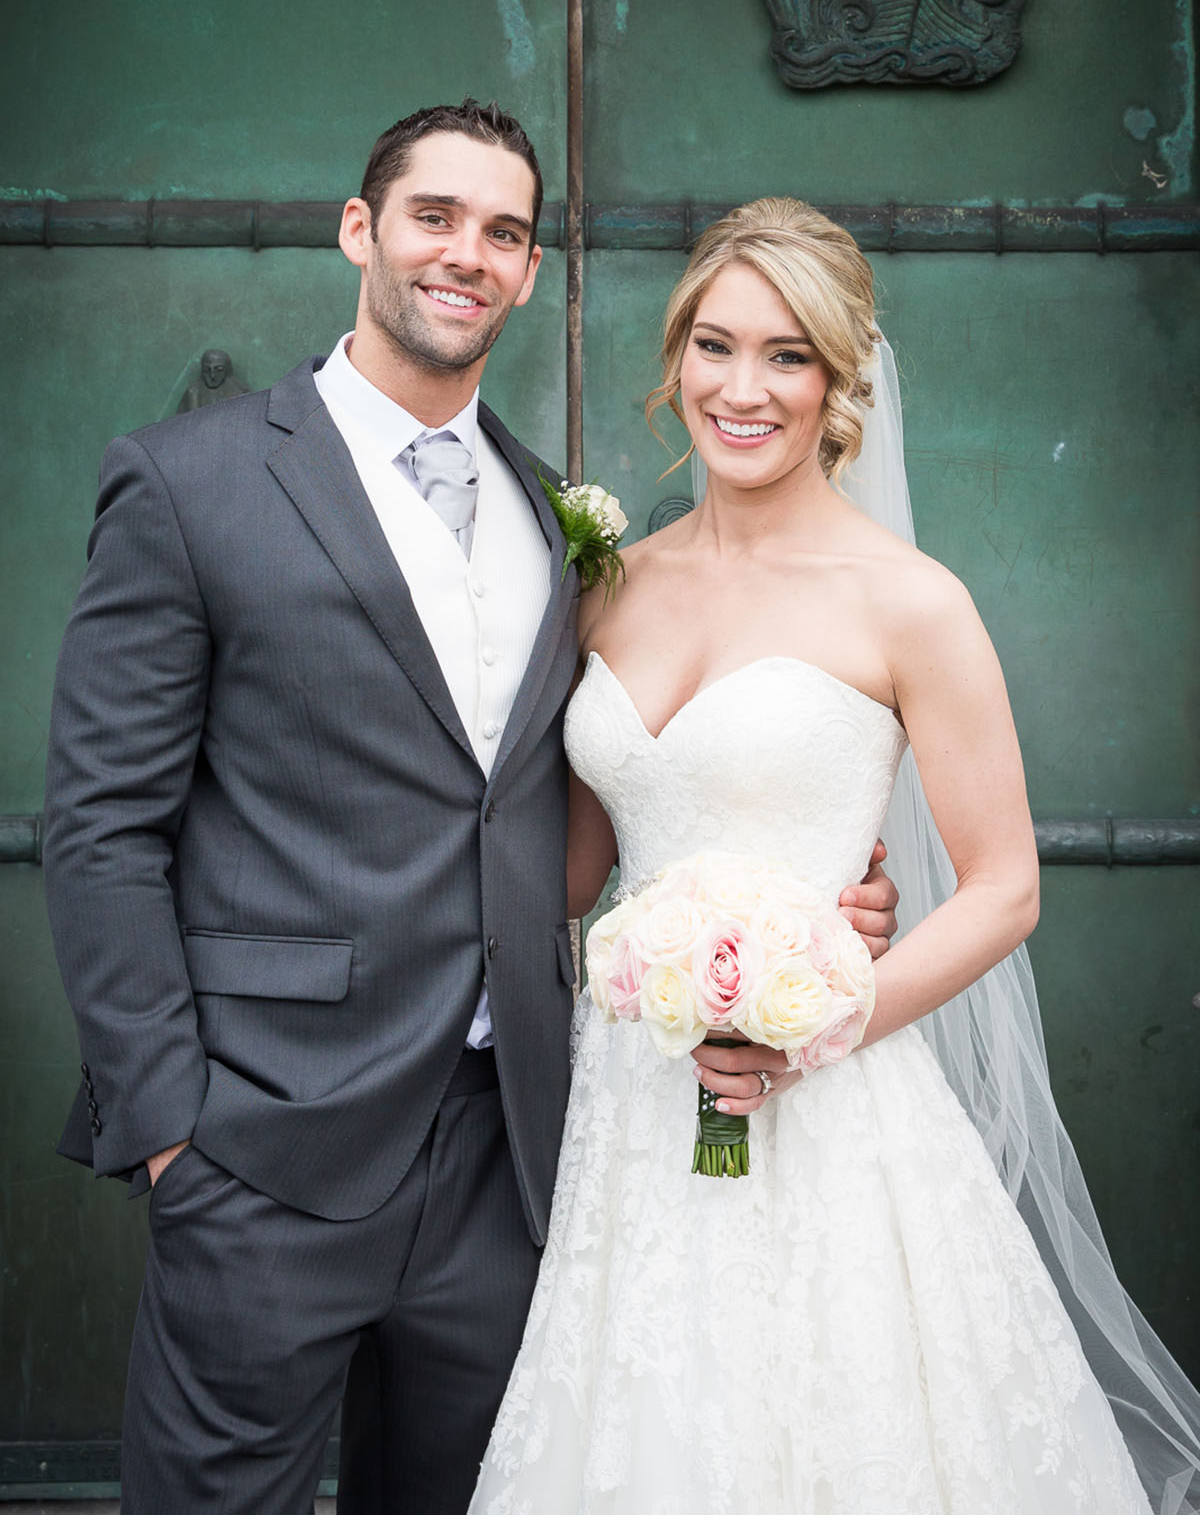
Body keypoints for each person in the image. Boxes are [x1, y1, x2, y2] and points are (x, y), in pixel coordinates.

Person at [41, 109, 898, 1515]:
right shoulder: (187, 483)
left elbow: (593, 811)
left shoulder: (556, 512)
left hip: (514, 1156)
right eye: (435, 216)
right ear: (359, 229)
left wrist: (812, 905)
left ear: (531, 268)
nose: (469, 255)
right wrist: (172, 1133)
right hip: (261, 1150)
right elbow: (100, 829)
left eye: (504, 232)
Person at [469, 197, 1200, 1514]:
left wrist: (817, 1021)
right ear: (677, 356)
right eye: (714, 344)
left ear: (843, 378)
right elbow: (577, 870)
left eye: (788, 354)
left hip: (835, 1099)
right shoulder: (607, 585)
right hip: (635, 1099)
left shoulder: (908, 602)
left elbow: (1003, 888)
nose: (741, 389)